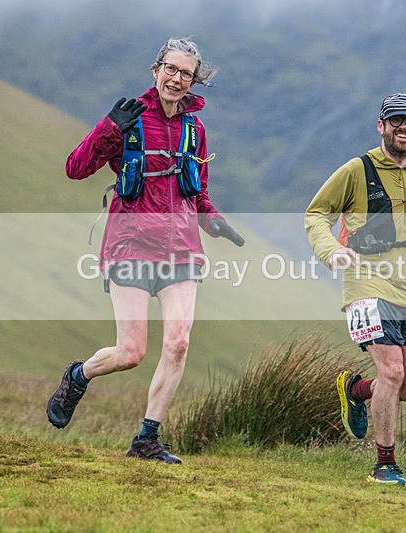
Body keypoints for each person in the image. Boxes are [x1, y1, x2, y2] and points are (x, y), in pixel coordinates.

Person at [46, 37, 244, 464]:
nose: (176, 79)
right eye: (170, 69)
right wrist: (109, 129)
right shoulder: (129, 119)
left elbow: (198, 192)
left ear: (193, 82)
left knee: (178, 343)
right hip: (130, 244)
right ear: (156, 70)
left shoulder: (195, 129)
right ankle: (78, 375)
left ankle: (147, 440)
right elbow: (75, 168)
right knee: (130, 353)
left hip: (182, 248)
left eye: (185, 74)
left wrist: (214, 222)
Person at [305, 93, 406, 485]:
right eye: (395, 120)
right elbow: (316, 214)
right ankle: (385, 465)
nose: (403, 128)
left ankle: (355, 390)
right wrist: (331, 251)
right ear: (381, 125)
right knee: (392, 372)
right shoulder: (356, 170)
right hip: (365, 284)